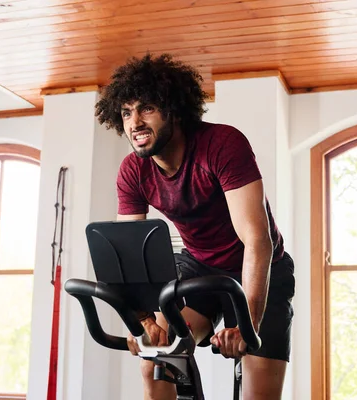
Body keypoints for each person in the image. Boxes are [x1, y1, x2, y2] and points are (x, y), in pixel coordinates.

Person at [95, 53, 295, 400]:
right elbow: (130, 260)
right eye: (126, 112)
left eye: (147, 109)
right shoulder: (133, 171)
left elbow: (257, 239)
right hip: (199, 266)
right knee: (156, 359)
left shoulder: (222, 145)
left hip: (263, 270)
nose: (135, 122)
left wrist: (247, 324)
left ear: (173, 109)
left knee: (258, 393)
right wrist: (143, 323)